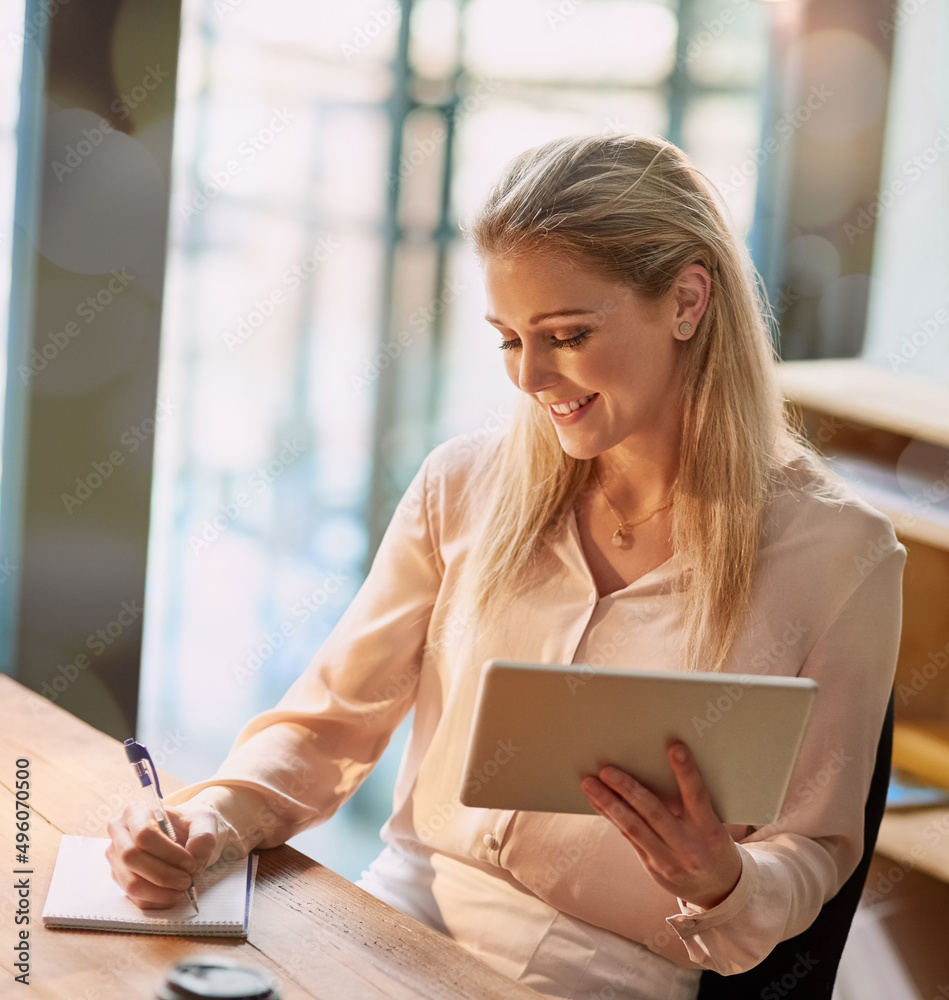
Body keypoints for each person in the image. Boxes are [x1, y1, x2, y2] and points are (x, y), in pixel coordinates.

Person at [106, 134, 905, 1000]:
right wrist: (207, 822)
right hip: (392, 926)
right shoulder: (463, 483)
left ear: (686, 299)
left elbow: (816, 847)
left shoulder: (836, 554)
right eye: (507, 339)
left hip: (607, 977)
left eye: (566, 335)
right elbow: (328, 724)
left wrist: (723, 879)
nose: (530, 376)